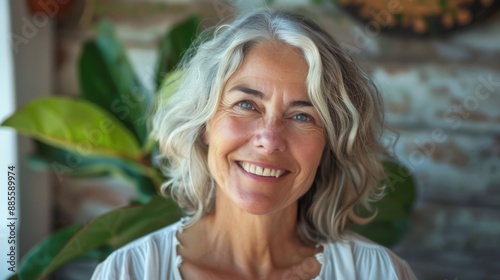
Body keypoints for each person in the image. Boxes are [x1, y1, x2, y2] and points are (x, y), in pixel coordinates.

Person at [91, 9, 416, 280]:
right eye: (246, 105)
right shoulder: (129, 271)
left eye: (302, 116)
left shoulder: (378, 272)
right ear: (204, 124)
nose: (269, 140)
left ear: (329, 143)